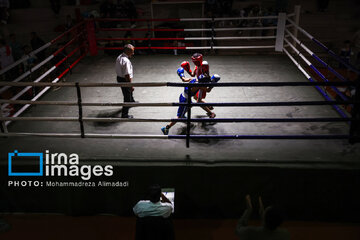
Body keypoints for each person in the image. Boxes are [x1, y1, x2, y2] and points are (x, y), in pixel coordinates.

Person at [160, 70, 215, 135]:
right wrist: (214, 82)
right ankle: (166, 128)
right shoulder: (199, 85)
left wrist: (181, 75)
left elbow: (184, 80)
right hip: (185, 100)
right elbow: (208, 90)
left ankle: (182, 115)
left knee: (190, 105)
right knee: (179, 116)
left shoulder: (195, 79)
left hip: (183, 96)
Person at [116, 44, 136, 118]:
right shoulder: (126, 61)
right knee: (127, 96)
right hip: (124, 79)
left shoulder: (120, 56)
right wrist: (130, 85)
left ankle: (131, 101)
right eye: (132, 52)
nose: (133, 54)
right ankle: (124, 114)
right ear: (127, 51)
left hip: (120, 78)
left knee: (128, 93)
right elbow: (127, 75)